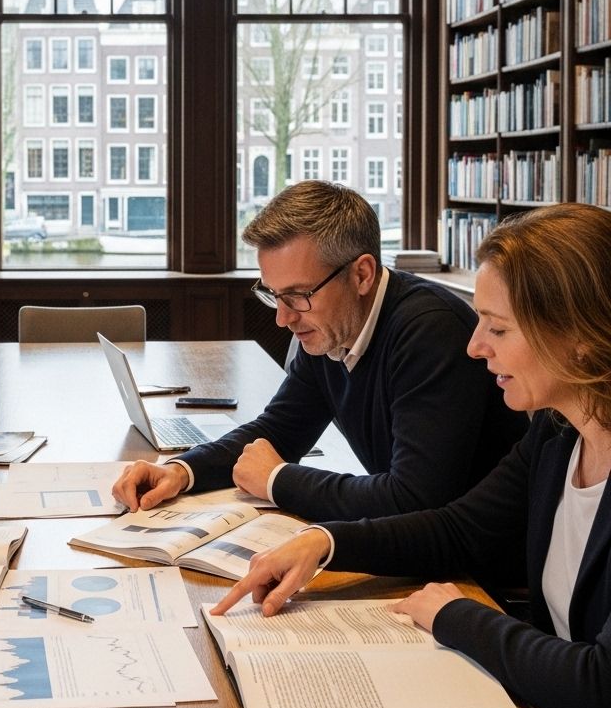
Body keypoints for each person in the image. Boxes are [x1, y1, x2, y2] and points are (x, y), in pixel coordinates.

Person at [211, 203, 611, 708]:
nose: (475, 345)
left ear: (581, 337)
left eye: (496, 327)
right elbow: (459, 529)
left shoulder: (450, 347)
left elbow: (601, 690)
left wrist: (456, 616)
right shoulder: (558, 433)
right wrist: (323, 543)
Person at [114, 180, 527, 521]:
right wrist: (181, 471)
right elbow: (280, 430)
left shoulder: (431, 331)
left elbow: (414, 498)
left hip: (477, 572)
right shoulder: (329, 326)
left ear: (361, 274)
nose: (283, 318)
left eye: (297, 295)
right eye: (273, 295)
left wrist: (278, 479)